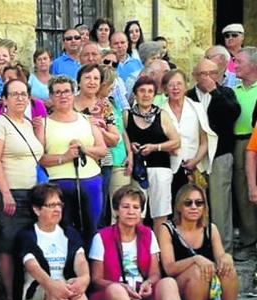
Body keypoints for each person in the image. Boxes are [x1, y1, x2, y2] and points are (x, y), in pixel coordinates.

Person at [89, 186, 192, 300]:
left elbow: (155, 273)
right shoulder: (101, 237)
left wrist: (148, 283)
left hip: (143, 293)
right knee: (115, 289)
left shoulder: (148, 234)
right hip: (114, 296)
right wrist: (121, 286)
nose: (131, 212)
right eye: (125, 207)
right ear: (116, 211)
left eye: (136, 207)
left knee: (168, 282)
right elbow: (96, 279)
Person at [14, 184, 102, 300]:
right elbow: (33, 267)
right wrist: (52, 284)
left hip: (67, 290)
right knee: (57, 289)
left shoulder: (69, 233)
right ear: (37, 209)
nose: (57, 209)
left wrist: (84, 278)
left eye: (59, 205)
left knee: (76, 290)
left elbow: (80, 259)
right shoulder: (27, 235)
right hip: (37, 296)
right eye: (51, 205)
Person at [158, 184, 245, 300]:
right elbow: (168, 268)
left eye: (199, 203)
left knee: (229, 270)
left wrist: (226, 257)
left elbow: (220, 257)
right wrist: (195, 259)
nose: (193, 207)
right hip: (179, 290)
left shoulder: (210, 229)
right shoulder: (167, 229)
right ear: (178, 206)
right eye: (188, 203)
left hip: (207, 289)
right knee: (198, 271)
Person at [0, 79, 44, 300]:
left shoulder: (29, 124)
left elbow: (36, 156)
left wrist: (39, 131)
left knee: (26, 245)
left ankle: (24, 294)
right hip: (9, 192)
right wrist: (6, 193)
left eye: (24, 94)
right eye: (15, 94)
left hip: (32, 193)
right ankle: (9, 296)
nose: (20, 98)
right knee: (7, 246)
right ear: (5, 99)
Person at [39, 75, 106, 245]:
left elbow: (102, 150)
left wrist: (85, 149)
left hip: (91, 181)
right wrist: (65, 157)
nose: (63, 96)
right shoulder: (44, 124)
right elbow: (39, 158)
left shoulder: (86, 120)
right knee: (64, 230)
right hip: (59, 185)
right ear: (51, 97)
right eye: (58, 92)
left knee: (93, 229)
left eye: (67, 92)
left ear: (73, 94)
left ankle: (93, 267)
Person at [187, 58, 240, 255]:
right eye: (202, 74)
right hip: (196, 157)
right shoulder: (189, 96)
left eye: (211, 73)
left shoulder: (225, 93)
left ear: (218, 75)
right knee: (197, 203)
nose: (207, 78)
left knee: (220, 205)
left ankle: (224, 250)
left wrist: (214, 92)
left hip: (219, 155)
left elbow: (233, 113)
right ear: (194, 76)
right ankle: (201, 247)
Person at [124, 76, 180, 232]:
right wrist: (130, 146)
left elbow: (176, 141)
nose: (146, 95)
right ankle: (138, 250)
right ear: (135, 93)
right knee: (136, 213)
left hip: (160, 168)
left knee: (160, 214)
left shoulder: (162, 115)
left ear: (155, 95)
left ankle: (161, 251)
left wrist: (156, 147)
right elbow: (123, 137)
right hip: (137, 171)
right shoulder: (127, 115)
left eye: (150, 91)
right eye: (142, 91)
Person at [73, 64, 120, 226]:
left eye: (96, 78)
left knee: (97, 212)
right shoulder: (68, 103)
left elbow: (115, 139)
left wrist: (99, 129)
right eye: (87, 77)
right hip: (72, 162)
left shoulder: (105, 106)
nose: (92, 82)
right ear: (78, 82)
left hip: (101, 164)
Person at [160, 70, 217, 199]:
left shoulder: (197, 108)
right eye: (171, 85)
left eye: (179, 84)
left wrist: (196, 160)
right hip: (169, 167)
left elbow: (204, 141)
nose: (175, 88)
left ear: (186, 86)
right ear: (165, 88)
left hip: (194, 167)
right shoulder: (160, 110)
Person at [98, 64, 132, 222]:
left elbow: (121, 130)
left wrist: (130, 152)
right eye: (110, 83)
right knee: (104, 208)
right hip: (105, 159)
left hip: (120, 158)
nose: (113, 87)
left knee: (118, 207)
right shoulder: (96, 105)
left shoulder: (111, 103)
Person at [232, 47, 257, 261]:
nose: (234, 65)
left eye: (239, 61)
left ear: (253, 65)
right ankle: (249, 240)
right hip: (240, 141)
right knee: (244, 191)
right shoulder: (234, 89)